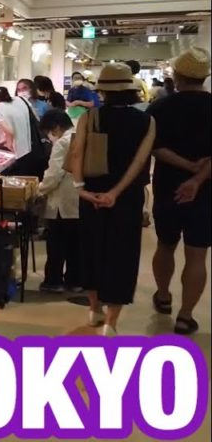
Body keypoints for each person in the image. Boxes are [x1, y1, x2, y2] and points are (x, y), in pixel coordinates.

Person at [68, 63, 155, 336]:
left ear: (102, 91)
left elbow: (77, 154)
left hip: (91, 193)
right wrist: (116, 193)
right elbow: (141, 161)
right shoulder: (147, 121)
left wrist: (80, 188)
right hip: (126, 198)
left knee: (92, 249)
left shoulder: (89, 117)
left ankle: (93, 309)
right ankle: (111, 322)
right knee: (122, 255)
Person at [148, 48, 212, 335]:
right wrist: (198, 179)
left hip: (168, 187)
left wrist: (185, 168)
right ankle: (185, 316)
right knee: (197, 255)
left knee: (165, 245)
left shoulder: (161, 108)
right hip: (206, 191)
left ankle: (163, 296)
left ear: (177, 75)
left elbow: (154, 147)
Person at [36, 109, 81, 293]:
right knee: (76, 245)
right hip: (78, 199)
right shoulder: (80, 135)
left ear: (55, 127)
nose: (50, 136)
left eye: (49, 131)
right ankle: (75, 280)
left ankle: (53, 281)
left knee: (56, 245)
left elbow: (54, 174)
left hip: (62, 201)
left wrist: (39, 189)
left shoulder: (63, 142)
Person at [0, 83, 44, 178]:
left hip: (21, 156)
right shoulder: (20, 99)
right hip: (36, 150)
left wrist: (8, 143)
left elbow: (10, 131)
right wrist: (4, 139)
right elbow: (26, 122)